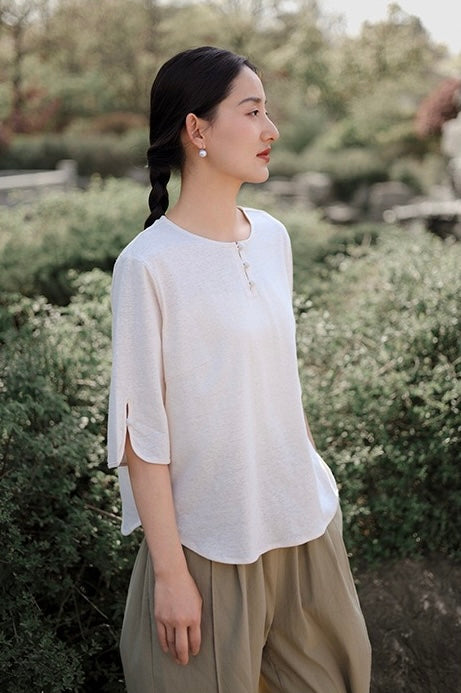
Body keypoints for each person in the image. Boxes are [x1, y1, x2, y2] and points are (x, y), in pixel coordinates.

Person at [107, 45, 371, 693]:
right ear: (196, 129)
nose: (270, 129)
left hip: (303, 527)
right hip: (208, 545)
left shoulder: (273, 237)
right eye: (251, 112)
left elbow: (280, 382)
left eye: (266, 112)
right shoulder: (147, 265)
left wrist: (315, 479)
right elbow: (142, 436)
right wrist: (171, 575)